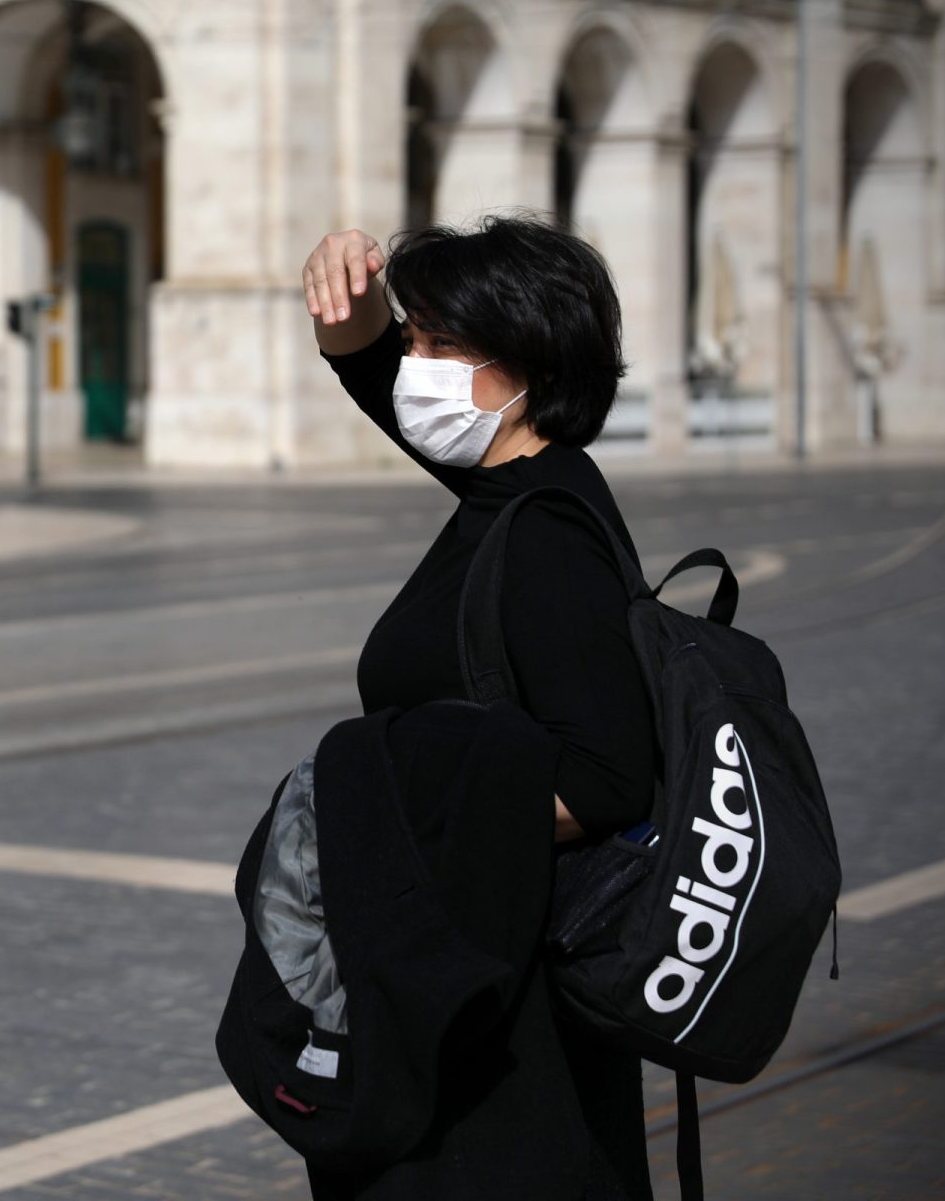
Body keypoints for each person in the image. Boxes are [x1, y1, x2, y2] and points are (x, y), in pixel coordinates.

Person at [299, 214, 658, 1199]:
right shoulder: (502, 484)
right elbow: (367, 367)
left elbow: (609, 773)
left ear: (524, 366)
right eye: (415, 337)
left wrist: (409, 839)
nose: (414, 363)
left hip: (509, 1034)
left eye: (439, 343)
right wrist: (354, 295)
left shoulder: (551, 530)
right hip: (454, 992)